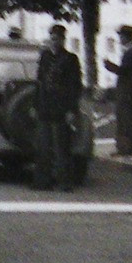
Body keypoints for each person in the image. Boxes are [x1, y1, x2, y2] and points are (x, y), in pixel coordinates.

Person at [33, 23, 83, 192]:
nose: (55, 42)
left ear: (63, 40)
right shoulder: (45, 57)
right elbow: (39, 82)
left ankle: (64, 182)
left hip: (61, 108)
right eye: (52, 38)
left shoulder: (71, 59)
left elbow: (75, 87)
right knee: (43, 147)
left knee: (62, 148)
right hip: (45, 107)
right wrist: (36, 104)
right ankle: (43, 181)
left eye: (58, 39)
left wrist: (71, 110)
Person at [103, 25, 132, 157]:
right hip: (126, 89)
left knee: (126, 120)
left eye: (121, 36)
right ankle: (125, 147)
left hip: (127, 90)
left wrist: (110, 66)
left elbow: (125, 71)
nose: (119, 38)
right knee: (124, 119)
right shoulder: (131, 50)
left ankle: (127, 148)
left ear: (126, 37)